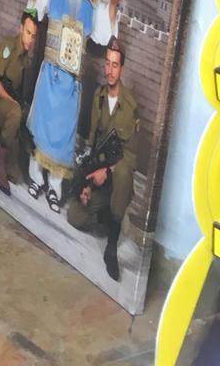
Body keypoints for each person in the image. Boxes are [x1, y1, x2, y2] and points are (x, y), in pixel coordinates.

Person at [26, 0, 118, 208]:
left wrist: (112, 6)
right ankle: (35, 177)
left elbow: (104, 32)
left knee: (64, 136)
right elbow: (35, 10)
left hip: (71, 82)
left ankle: (55, 186)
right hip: (50, 73)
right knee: (41, 125)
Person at [66, 37, 138, 281]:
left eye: (115, 65)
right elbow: (91, 145)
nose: (109, 70)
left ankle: (112, 244)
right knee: (74, 216)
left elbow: (130, 156)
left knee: (123, 171)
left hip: (115, 181)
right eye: (107, 63)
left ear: (122, 69)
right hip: (96, 178)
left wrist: (106, 171)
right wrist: (86, 183)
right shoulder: (98, 96)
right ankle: (106, 216)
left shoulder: (130, 106)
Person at [0, 9, 37, 194]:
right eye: (28, 33)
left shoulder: (28, 61)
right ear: (21, 29)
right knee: (15, 112)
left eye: (34, 36)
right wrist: (12, 103)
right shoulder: (8, 47)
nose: (30, 39)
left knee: (15, 176)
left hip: (9, 109)